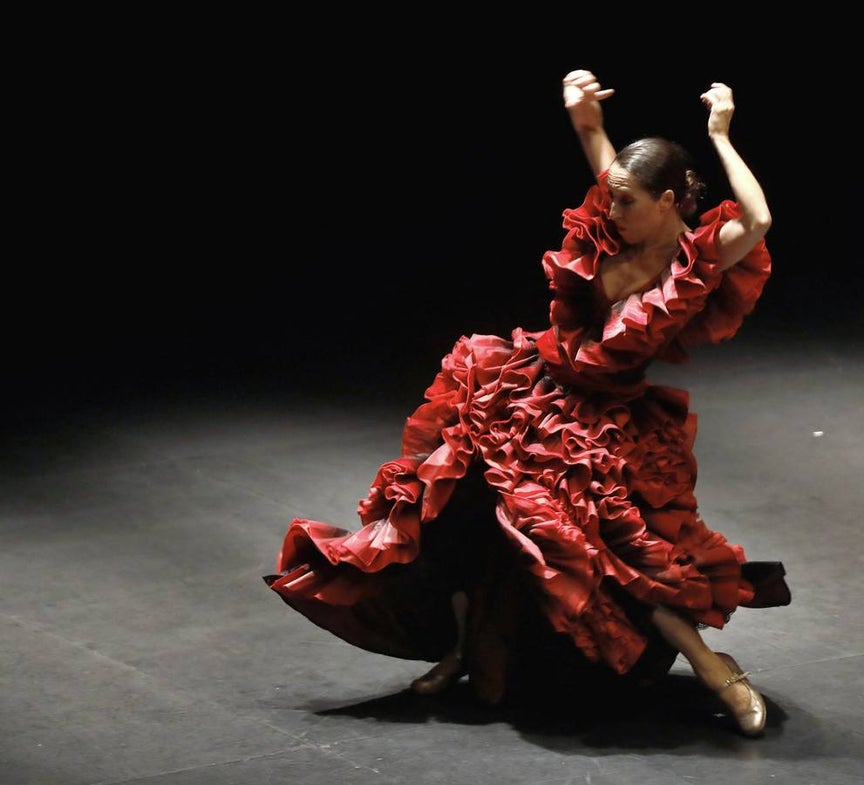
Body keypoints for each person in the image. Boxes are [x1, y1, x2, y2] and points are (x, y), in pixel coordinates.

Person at [264, 68, 791, 738]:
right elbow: (595, 136)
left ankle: (717, 667)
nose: (611, 210)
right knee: (452, 503)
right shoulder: (614, 220)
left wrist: (720, 134)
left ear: (666, 202)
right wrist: (580, 109)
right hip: (529, 389)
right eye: (612, 198)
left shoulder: (697, 256)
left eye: (627, 202)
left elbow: (761, 217)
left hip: (601, 423)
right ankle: (459, 645)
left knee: (617, 553)